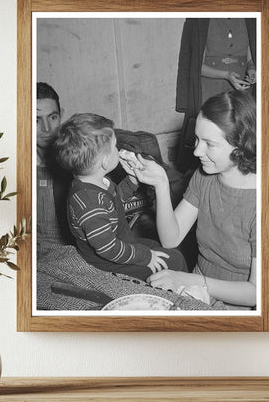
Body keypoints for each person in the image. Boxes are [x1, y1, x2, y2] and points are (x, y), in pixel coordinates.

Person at [131, 90, 257, 308]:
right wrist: (160, 184)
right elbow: (171, 239)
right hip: (197, 289)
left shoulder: (263, 203)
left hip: (238, 304)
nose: (197, 151)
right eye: (197, 139)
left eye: (210, 144)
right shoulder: (203, 176)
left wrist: (189, 280)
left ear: (242, 145)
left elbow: (256, 293)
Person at [53, 113, 188, 281]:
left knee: (160, 248)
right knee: (174, 261)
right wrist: (145, 257)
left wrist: (132, 180)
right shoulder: (89, 204)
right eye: (115, 146)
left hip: (124, 241)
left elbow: (114, 205)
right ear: (105, 161)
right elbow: (108, 248)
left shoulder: (95, 182)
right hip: (108, 263)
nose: (118, 150)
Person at [175, 18, 256, 171]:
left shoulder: (248, 18)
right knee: (212, 139)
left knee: (239, 138)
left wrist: (252, 71)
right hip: (210, 89)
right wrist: (225, 74)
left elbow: (250, 60)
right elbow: (195, 67)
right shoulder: (201, 20)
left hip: (241, 91)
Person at [36, 82, 72, 257]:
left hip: (72, 256)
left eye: (52, 117)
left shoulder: (76, 159)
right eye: (36, 120)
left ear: (61, 115)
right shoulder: (14, 165)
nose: (47, 129)